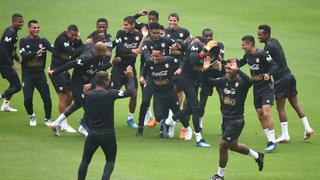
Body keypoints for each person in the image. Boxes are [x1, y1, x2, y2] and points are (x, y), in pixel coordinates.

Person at [208, 59, 264, 180]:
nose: (228, 69)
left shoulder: (242, 83)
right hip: (226, 120)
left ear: (236, 70)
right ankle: (257, 156)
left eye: (230, 67)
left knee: (223, 145)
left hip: (236, 120)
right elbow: (208, 81)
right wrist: (206, 69)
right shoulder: (224, 81)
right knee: (233, 146)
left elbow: (250, 81)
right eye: (227, 67)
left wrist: (238, 70)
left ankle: (219, 175)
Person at [257, 24, 314, 142]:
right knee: (295, 104)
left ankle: (285, 135)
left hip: (281, 80)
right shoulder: (275, 41)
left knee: (280, 108)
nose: (258, 36)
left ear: (266, 34)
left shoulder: (268, 47)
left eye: (260, 34)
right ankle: (308, 128)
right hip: (289, 76)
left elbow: (269, 64)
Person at [77, 67, 135, 180]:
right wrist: (131, 77)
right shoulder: (110, 94)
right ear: (106, 82)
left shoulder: (86, 95)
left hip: (92, 133)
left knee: (85, 160)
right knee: (110, 161)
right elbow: (130, 92)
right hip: (108, 134)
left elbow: (86, 108)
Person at [165, 36, 219, 148]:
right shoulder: (196, 45)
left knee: (189, 109)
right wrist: (205, 51)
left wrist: (208, 68)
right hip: (186, 80)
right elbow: (193, 60)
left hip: (194, 81)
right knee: (196, 108)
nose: (210, 56)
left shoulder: (208, 55)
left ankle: (169, 120)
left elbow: (200, 69)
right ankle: (199, 138)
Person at [48, 42, 110, 136]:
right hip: (77, 83)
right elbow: (70, 64)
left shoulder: (99, 56)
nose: (106, 53)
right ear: (97, 51)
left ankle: (55, 123)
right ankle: (83, 127)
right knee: (88, 105)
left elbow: (97, 70)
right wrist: (54, 72)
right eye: (104, 51)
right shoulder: (86, 58)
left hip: (87, 82)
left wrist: (91, 84)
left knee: (77, 104)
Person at [238, 35, 278, 153]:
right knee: (260, 115)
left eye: (244, 45)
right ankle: (269, 139)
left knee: (266, 113)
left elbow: (275, 65)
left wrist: (268, 74)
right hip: (256, 88)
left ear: (250, 44)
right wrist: (225, 61)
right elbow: (239, 63)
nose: (242, 47)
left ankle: (272, 141)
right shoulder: (247, 56)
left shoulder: (263, 54)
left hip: (266, 87)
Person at [136, 22, 176, 136]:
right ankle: (140, 126)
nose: (157, 35)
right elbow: (148, 59)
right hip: (151, 75)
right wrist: (142, 75)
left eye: (159, 33)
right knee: (145, 101)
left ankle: (163, 125)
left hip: (165, 75)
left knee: (166, 101)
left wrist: (180, 44)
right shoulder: (147, 43)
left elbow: (178, 45)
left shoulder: (166, 40)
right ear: (149, 32)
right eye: (154, 33)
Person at [19, 20, 53, 126]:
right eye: (34, 27)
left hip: (40, 74)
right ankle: (31, 116)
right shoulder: (23, 41)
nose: (36, 29)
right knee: (28, 98)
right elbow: (24, 56)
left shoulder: (43, 40)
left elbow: (54, 49)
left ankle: (48, 119)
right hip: (28, 75)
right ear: (29, 28)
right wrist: (36, 53)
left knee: (46, 97)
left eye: (38, 27)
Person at [111, 16, 143, 128]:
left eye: (126, 25)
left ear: (133, 25)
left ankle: (130, 118)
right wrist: (132, 50)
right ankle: (108, 118)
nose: (124, 27)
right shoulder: (120, 33)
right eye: (124, 24)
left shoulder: (139, 35)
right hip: (118, 69)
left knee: (133, 93)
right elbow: (119, 49)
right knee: (112, 94)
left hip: (130, 68)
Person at [49, 24, 83, 132]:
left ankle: (61, 119)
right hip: (56, 70)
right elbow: (73, 53)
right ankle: (63, 124)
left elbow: (81, 48)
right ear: (68, 31)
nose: (73, 37)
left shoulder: (72, 39)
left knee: (71, 94)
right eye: (72, 35)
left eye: (75, 35)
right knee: (63, 95)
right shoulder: (62, 39)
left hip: (65, 70)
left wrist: (78, 40)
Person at [165, 13, 191, 138]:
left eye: (174, 20)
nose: (172, 22)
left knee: (178, 92)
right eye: (170, 20)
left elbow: (189, 45)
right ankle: (170, 122)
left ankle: (174, 119)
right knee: (169, 93)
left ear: (178, 21)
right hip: (168, 67)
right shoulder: (164, 32)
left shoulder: (184, 32)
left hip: (181, 68)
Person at [199, 28, 225, 131]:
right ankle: (200, 125)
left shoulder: (219, 45)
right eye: (206, 36)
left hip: (220, 76)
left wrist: (216, 52)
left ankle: (224, 124)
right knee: (202, 102)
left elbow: (221, 60)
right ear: (202, 36)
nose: (209, 38)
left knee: (224, 100)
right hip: (206, 77)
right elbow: (198, 59)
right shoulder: (200, 47)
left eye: (210, 36)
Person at [0, 13, 24, 112]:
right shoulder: (10, 33)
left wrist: (18, 59)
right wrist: (12, 64)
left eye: (22, 22)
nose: (21, 24)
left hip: (6, 62)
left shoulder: (14, 32)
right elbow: (4, 51)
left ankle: (5, 105)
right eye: (19, 22)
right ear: (13, 22)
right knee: (17, 86)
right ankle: (1, 96)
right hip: (4, 63)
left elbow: (12, 50)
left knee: (13, 84)